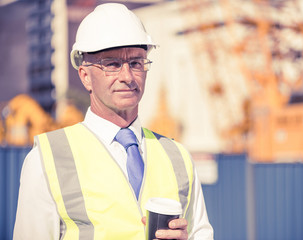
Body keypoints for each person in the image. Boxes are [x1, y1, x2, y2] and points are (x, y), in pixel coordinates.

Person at [13, 3, 213, 240]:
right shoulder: (46, 160)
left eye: (136, 63)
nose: (127, 76)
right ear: (85, 76)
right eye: (112, 64)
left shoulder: (178, 158)